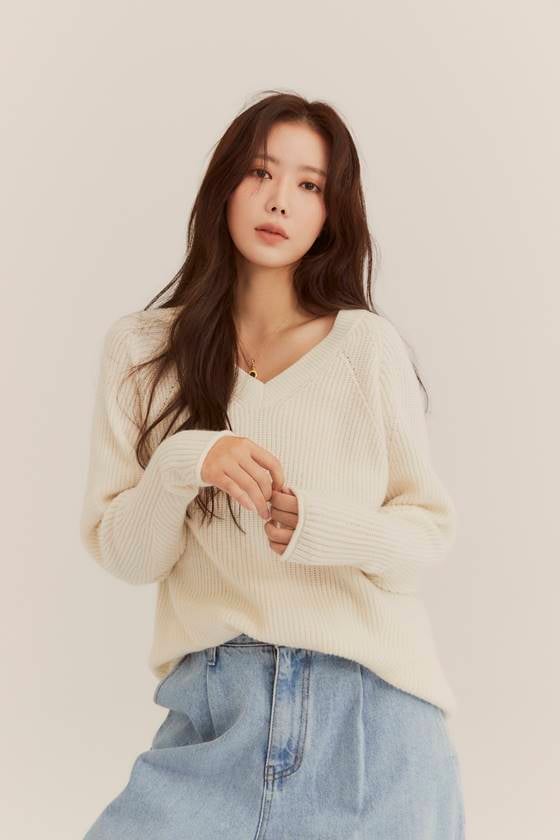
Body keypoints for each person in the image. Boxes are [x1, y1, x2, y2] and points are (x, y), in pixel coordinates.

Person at [79, 91, 465, 839]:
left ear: (330, 212)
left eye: (308, 184)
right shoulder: (141, 353)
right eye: (260, 172)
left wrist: (323, 527)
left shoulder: (366, 349)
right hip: (214, 715)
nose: (279, 199)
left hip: (372, 728)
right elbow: (128, 556)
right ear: (225, 184)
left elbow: (427, 533)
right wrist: (189, 459)